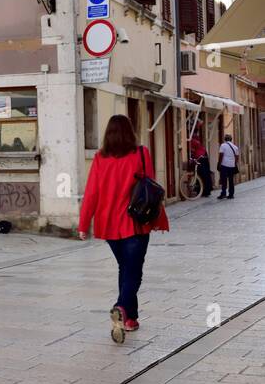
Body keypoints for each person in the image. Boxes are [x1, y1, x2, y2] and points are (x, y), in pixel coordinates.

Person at [79, 114, 170, 344]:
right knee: (134, 271)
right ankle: (121, 306)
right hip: (135, 222)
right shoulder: (141, 153)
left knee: (125, 268)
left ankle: (130, 319)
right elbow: (150, 186)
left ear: (108, 134)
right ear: (130, 132)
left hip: (109, 224)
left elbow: (91, 193)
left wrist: (83, 225)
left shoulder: (100, 158)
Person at [189, 133, 213, 197]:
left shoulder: (192, 141)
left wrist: (192, 159)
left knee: (201, 175)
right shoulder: (198, 142)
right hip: (204, 157)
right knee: (206, 174)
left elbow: (192, 151)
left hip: (200, 158)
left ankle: (202, 190)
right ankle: (207, 190)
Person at [218, 134, 241, 200]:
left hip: (224, 165)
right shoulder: (235, 147)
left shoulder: (223, 145)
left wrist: (219, 163)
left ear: (225, 139)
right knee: (231, 180)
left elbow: (221, 155)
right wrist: (234, 163)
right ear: (231, 139)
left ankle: (223, 193)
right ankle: (231, 194)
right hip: (232, 165)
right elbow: (237, 157)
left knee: (224, 180)